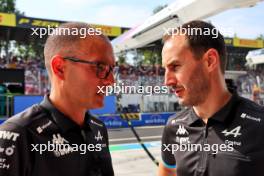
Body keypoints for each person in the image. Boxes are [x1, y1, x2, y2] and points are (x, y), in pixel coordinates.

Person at [0, 22, 115, 176]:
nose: (111, 80)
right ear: (60, 68)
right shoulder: (17, 135)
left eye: (112, 69)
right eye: (100, 67)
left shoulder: (98, 128)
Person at [159, 20, 264, 176]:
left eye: (175, 67)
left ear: (210, 61)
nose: (167, 81)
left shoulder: (259, 125)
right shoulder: (173, 126)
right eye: (165, 70)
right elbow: (167, 171)